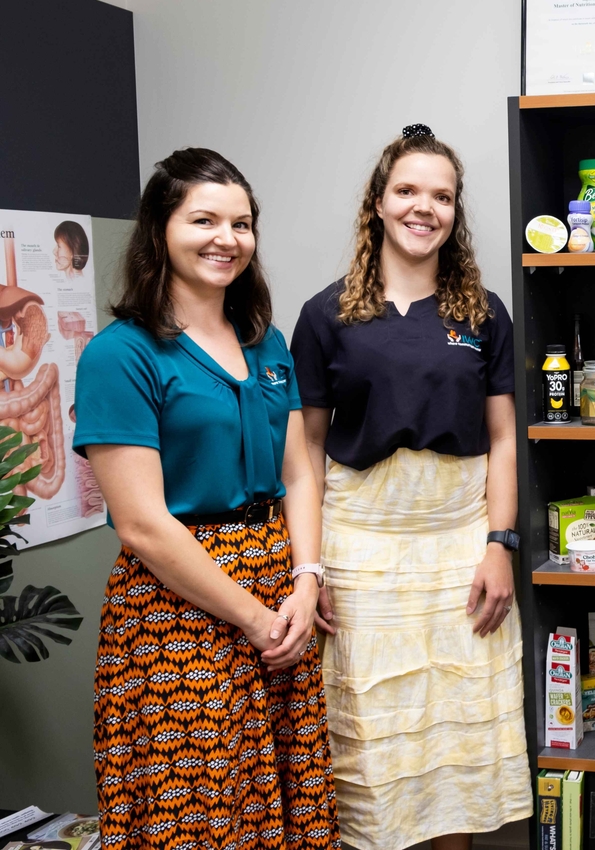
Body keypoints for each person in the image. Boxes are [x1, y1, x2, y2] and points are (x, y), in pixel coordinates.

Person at [75, 149, 340, 848]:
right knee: (196, 811)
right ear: (160, 227)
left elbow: (299, 474)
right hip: (179, 610)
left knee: (285, 802)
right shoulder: (121, 354)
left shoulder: (266, 342)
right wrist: (253, 619)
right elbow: (142, 525)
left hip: (282, 598)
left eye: (242, 223)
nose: (227, 238)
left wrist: (307, 581)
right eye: (204, 219)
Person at [291, 124, 529, 850]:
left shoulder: (482, 314)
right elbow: (303, 454)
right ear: (378, 201)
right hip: (363, 553)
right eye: (408, 191)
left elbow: (501, 440)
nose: (424, 208)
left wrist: (500, 544)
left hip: (460, 547)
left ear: (455, 213)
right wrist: (311, 565)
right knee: (376, 756)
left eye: (443, 196)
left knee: (451, 761)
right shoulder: (325, 315)